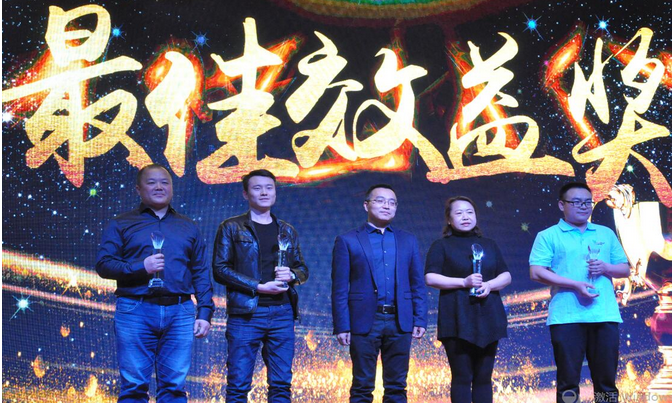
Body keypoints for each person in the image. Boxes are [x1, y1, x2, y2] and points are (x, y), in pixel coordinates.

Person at [96, 163, 214, 403]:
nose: (159, 187)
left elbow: (200, 271)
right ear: (138, 189)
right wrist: (141, 267)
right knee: (134, 387)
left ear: (172, 188)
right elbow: (104, 265)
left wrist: (204, 313)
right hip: (135, 309)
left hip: (180, 311)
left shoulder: (188, 226)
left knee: (174, 388)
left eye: (164, 182)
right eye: (151, 182)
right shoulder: (121, 223)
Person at [212, 169, 309, 403]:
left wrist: (292, 275)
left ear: (275, 192)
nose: (264, 192)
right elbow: (220, 269)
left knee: (281, 385)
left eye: (269, 187)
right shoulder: (231, 227)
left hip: (282, 313)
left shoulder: (287, 230)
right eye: (257, 188)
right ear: (246, 194)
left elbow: (302, 269)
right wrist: (258, 286)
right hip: (246, 313)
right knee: (238, 385)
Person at [529, 182, 630, 403]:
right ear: (561, 205)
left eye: (587, 202)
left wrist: (606, 267)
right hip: (567, 317)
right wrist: (575, 285)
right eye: (576, 202)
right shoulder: (548, 235)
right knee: (568, 382)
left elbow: (624, 269)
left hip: (604, 315)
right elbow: (536, 272)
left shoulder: (605, 233)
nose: (583, 207)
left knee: (606, 382)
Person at [332, 184, 427, 403]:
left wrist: (420, 318)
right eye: (380, 201)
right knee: (362, 386)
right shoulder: (347, 240)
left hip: (400, 321)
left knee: (397, 386)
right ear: (366, 205)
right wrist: (342, 325)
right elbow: (339, 287)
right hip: (364, 321)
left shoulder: (408, 240)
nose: (387, 206)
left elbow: (417, 283)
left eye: (392, 203)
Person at [424, 196, 511, 403]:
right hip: (457, 318)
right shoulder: (441, 245)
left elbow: (506, 275)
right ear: (449, 219)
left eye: (470, 212)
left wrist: (489, 285)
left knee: (484, 378)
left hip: (489, 317)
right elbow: (430, 277)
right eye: (459, 213)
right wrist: (464, 282)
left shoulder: (489, 244)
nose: (465, 217)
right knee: (462, 377)